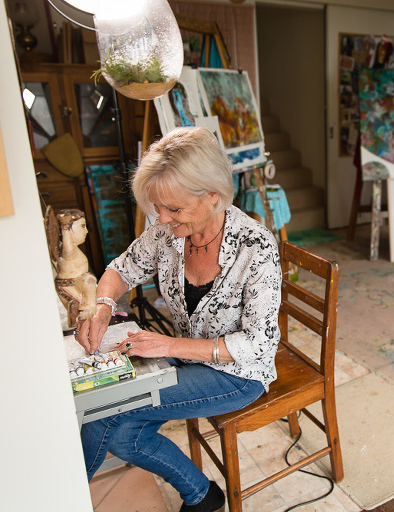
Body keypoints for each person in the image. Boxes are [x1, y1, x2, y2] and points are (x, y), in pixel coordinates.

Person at [75, 127, 282, 512]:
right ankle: (202, 494)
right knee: (117, 428)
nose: (163, 218)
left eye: (173, 209)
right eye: (158, 208)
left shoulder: (256, 247)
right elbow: (121, 270)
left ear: (212, 197)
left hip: (239, 374)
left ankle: (59, 495)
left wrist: (167, 345)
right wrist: (102, 307)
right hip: (187, 357)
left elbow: (258, 344)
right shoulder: (168, 232)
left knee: (108, 415)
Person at [54, 209, 97, 329]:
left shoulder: (72, 250)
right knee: (89, 280)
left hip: (76, 285)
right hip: (70, 286)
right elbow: (67, 249)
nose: (86, 231)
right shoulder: (68, 251)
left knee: (89, 281)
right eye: (82, 226)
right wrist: (65, 226)